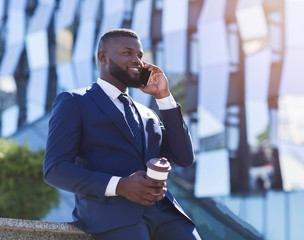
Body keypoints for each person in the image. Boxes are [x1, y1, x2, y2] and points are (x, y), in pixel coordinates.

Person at [43, 28, 202, 240]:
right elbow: (55, 169)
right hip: (111, 215)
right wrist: (121, 186)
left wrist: (164, 97)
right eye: (127, 53)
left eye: (140, 55)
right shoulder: (74, 102)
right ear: (103, 57)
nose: (137, 60)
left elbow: (183, 157)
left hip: (165, 213)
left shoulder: (149, 114)